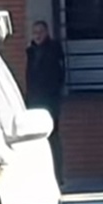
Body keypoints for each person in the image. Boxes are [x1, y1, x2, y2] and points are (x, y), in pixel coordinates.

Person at [25, 20, 66, 190]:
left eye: (40, 32)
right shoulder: (31, 52)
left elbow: (59, 75)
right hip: (35, 102)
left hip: (50, 101)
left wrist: (53, 96)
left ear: (46, 32)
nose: (37, 35)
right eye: (35, 32)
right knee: (35, 141)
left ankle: (58, 176)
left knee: (53, 139)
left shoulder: (54, 50)